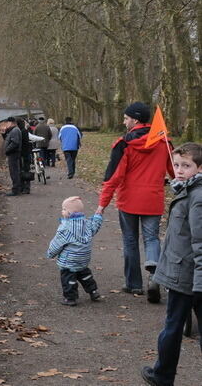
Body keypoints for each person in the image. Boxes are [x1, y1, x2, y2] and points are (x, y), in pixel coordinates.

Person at [96, 102, 173, 303]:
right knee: (152, 238)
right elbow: (176, 172)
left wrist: (101, 205)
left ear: (135, 119)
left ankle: (133, 284)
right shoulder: (164, 142)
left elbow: (113, 177)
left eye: (125, 118)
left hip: (128, 201)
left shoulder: (124, 144)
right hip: (153, 200)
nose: (123, 121)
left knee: (130, 241)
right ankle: (154, 274)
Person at [141, 142, 202, 386]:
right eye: (176, 165)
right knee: (173, 328)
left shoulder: (197, 197)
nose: (178, 170)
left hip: (189, 277)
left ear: (199, 168)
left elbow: (200, 242)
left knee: (172, 328)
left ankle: (162, 375)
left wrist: (199, 285)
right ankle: (162, 374)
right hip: (182, 272)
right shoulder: (186, 190)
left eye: (186, 166)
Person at [46, 196, 103, 305]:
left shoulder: (65, 228)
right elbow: (95, 225)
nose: (62, 211)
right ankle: (93, 291)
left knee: (68, 279)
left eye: (64, 209)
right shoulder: (87, 223)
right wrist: (98, 217)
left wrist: (50, 253)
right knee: (85, 275)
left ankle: (70, 298)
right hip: (83, 258)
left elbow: (57, 243)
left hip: (69, 261)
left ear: (70, 213)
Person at [0, 117, 22, 196]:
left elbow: (15, 143)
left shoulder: (15, 130)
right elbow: (8, 140)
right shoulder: (13, 130)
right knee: (13, 172)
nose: (6, 125)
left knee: (14, 172)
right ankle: (16, 189)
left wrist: (7, 150)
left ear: (11, 123)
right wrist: (4, 134)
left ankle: (15, 190)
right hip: (12, 153)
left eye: (7, 123)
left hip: (13, 154)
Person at [18, 118, 33, 194]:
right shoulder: (25, 131)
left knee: (24, 171)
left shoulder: (22, 131)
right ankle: (26, 187)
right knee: (26, 170)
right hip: (26, 153)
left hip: (23, 154)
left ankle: (25, 187)